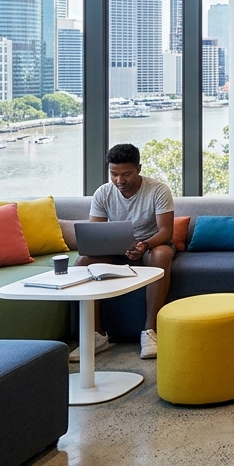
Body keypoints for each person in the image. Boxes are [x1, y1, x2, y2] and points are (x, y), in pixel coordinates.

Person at [71, 143, 175, 361]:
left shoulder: (158, 190)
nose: (120, 180)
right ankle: (96, 335)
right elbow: (96, 232)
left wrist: (144, 245)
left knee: (162, 254)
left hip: (150, 246)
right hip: (116, 249)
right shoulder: (103, 193)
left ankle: (150, 331)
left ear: (138, 168)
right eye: (114, 174)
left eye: (126, 174)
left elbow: (166, 232)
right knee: (82, 262)